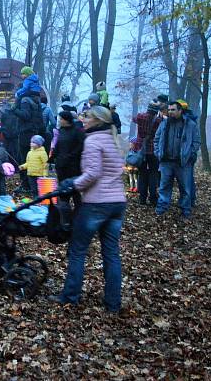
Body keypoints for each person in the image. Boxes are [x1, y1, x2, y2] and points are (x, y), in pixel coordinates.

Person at [49, 105, 126, 313]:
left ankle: (70, 295)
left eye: (86, 116)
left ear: (97, 121)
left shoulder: (92, 141)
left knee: (77, 250)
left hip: (97, 204)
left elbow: (92, 174)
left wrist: (73, 184)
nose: (82, 119)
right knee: (111, 253)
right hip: (117, 203)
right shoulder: (113, 140)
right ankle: (113, 303)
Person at [153, 100, 200, 219]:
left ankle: (185, 211)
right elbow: (157, 138)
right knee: (164, 187)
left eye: (173, 110)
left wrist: (190, 154)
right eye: (169, 110)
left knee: (185, 188)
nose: (170, 112)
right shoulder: (164, 123)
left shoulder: (190, 124)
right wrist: (158, 153)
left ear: (180, 110)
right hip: (166, 161)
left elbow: (196, 141)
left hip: (183, 163)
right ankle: (161, 209)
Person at [12, 90, 44, 192]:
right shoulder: (36, 102)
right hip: (33, 133)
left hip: (25, 134)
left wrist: (14, 110)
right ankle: (32, 185)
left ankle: (25, 185)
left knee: (24, 159)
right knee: (32, 160)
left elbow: (25, 115)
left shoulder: (25, 101)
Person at [52, 110, 85, 209]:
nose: (60, 121)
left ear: (67, 120)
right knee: (62, 190)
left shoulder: (77, 131)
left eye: (61, 119)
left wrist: (71, 156)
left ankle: (78, 212)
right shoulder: (61, 130)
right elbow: (58, 145)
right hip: (61, 165)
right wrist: (53, 157)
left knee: (74, 190)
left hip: (73, 166)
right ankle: (64, 213)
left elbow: (80, 146)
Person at [133, 102, 162, 207]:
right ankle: (153, 198)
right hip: (153, 149)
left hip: (140, 149)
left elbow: (133, 119)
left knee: (142, 174)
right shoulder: (159, 120)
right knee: (153, 173)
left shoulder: (140, 116)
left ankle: (142, 198)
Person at [0, 102, 19, 166]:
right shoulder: (16, 114)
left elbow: (2, 125)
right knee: (15, 151)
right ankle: (15, 166)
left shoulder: (4, 115)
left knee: (7, 151)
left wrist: (3, 131)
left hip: (7, 136)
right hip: (14, 136)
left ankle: (8, 165)